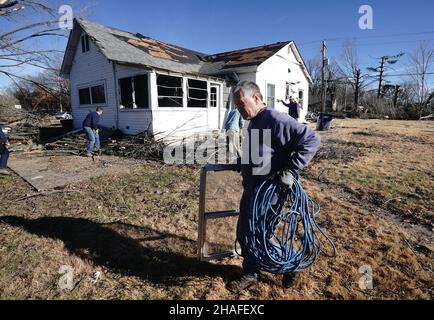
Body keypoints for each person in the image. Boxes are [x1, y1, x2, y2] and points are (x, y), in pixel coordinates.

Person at [227, 81, 321, 293]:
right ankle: (251, 273)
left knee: (261, 236)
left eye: (243, 104)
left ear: (257, 98)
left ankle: (291, 263)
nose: (240, 110)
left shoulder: (275, 119)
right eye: (237, 106)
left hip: (268, 194)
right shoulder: (254, 120)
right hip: (252, 190)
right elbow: (263, 152)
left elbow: (312, 140)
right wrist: (243, 162)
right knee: (245, 234)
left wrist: (290, 170)